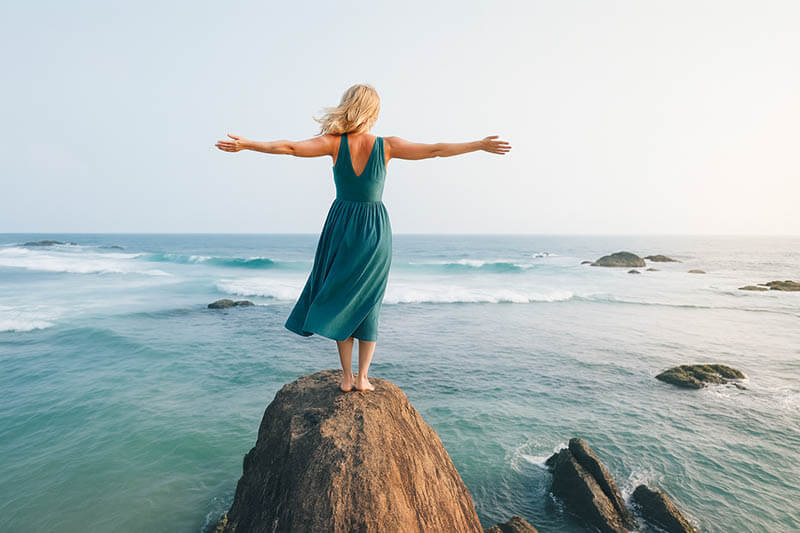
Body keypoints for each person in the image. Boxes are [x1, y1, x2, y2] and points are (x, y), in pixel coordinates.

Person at [215, 83, 511, 393]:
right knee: (370, 300)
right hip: (374, 230)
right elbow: (435, 150)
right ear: (373, 111)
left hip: (341, 225)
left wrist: (248, 144)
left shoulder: (332, 143)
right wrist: (477, 145)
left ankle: (346, 378)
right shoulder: (387, 146)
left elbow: (289, 148)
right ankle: (363, 378)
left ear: (347, 106)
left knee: (342, 295)